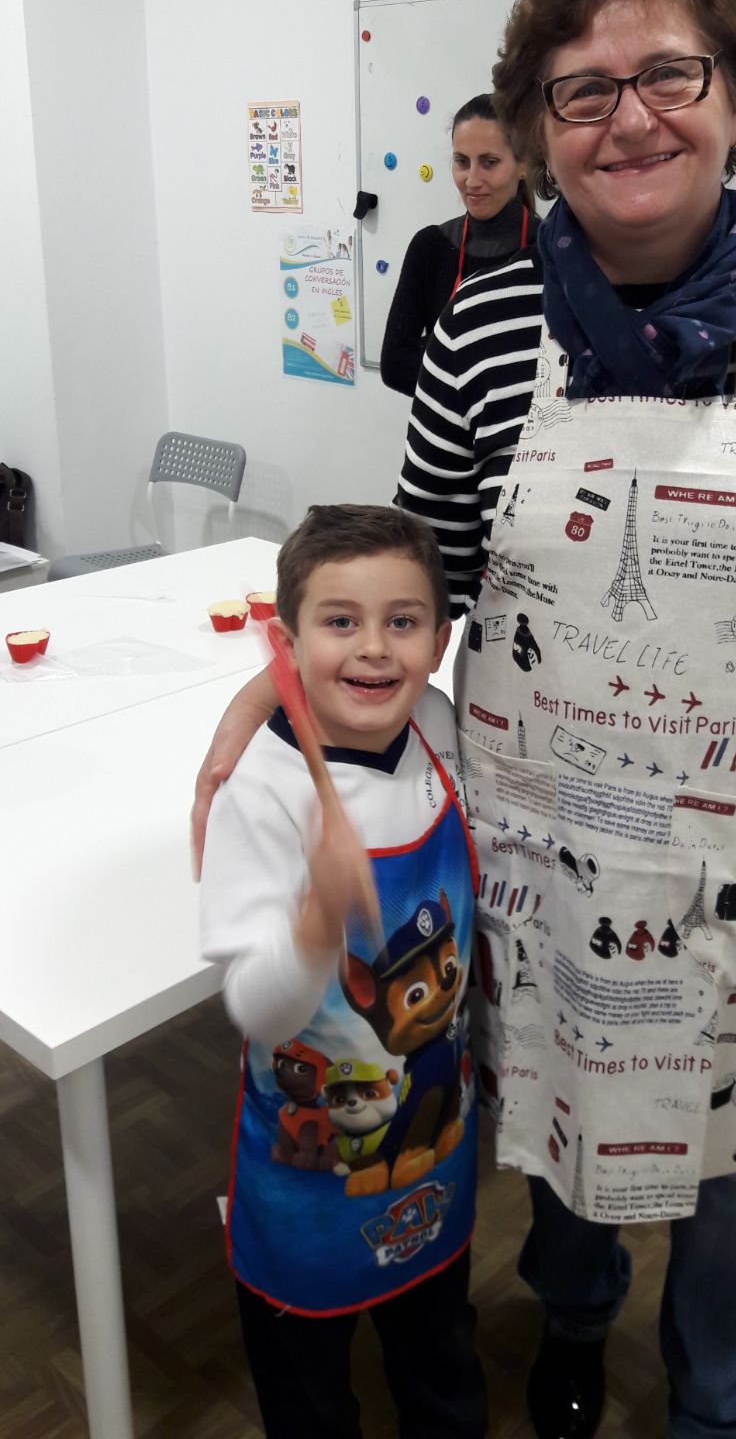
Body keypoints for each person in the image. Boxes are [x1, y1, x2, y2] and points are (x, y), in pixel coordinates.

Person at [192, 0, 736, 1439]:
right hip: (553, 824)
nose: (629, 117)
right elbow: (420, 572)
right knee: (567, 1091)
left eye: (670, 74)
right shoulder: (483, 322)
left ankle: (721, 1399)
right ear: (538, 128)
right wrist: (278, 695)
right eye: (583, 89)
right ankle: (574, 1322)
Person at [199, 505, 486, 1439]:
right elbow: (258, 1008)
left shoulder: (437, 725)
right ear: (286, 647)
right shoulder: (264, 794)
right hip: (305, 1193)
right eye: (339, 622)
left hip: (438, 1160)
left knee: (442, 1365)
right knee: (310, 1399)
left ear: (439, 642)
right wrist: (318, 922)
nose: (372, 648)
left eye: (402, 621)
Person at [379, 94, 540, 396]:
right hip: (443, 426)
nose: (472, 180)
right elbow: (395, 365)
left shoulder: (551, 250)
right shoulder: (431, 247)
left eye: (490, 163)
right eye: (462, 162)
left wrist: (448, 371)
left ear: (523, 164)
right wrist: (488, 393)